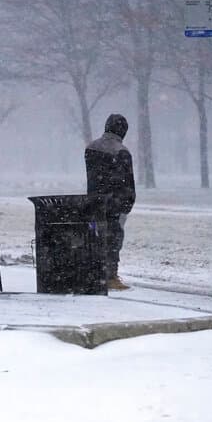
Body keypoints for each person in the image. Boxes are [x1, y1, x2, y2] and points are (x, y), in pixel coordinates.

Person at [85, 113, 136, 291]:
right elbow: (127, 182)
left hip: (94, 203)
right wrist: (127, 204)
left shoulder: (91, 147)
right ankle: (111, 276)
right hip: (114, 205)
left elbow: (94, 178)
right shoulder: (121, 151)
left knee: (96, 237)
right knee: (114, 238)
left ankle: (96, 273)